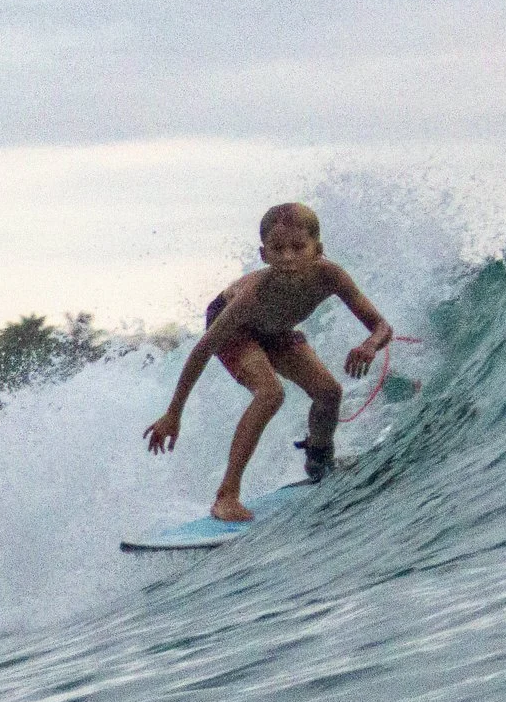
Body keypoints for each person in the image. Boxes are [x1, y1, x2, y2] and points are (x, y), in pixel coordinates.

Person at [143, 201, 393, 521]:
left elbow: (382, 327)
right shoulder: (252, 295)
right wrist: (174, 413)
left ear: (318, 249)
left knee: (329, 393)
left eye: (298, 247)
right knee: (270, 394)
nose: (288, 257)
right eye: (277, 249)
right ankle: (226, 496)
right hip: (234, 329)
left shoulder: (331, 276)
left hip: (275, 330)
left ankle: (319, 459)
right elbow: (203, 349)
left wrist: (370, 346)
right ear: (264, 255)